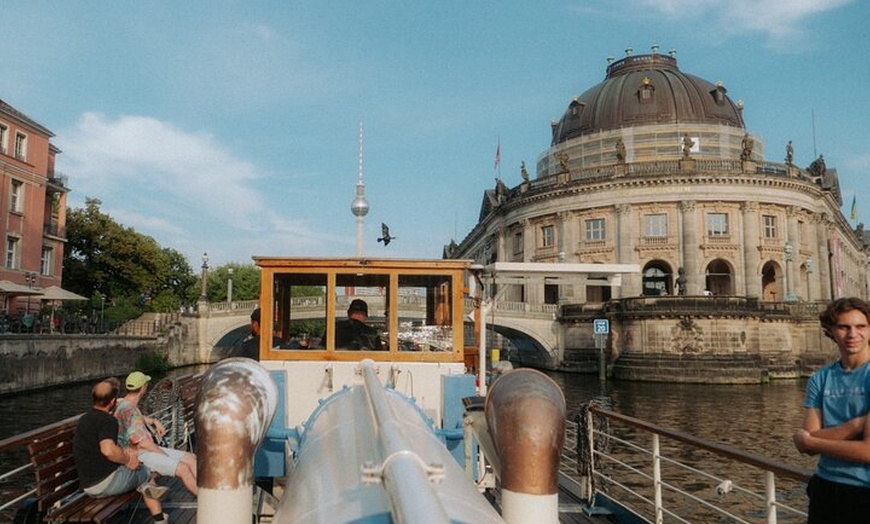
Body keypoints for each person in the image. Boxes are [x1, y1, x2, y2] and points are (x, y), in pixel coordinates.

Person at [793, 297, 870, 523]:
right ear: (831, 331)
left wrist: (813, 442)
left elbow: (868, 452)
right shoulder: (820, 379)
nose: (852, 334)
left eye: (860, 326)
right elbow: (808, 442)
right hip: (824, 489)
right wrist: (855, 425)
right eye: (844, 327)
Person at [73, 379, 168, 523]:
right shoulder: (108, 420)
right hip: (106, 484)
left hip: (88, 486)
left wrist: (126, 456)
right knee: (147, 472)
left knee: (136, 471)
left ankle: (143, 489)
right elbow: (108, 450)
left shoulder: (84, 419)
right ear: (112, 401)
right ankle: (160, 519)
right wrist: (128, 460)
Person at [115, 371, 199, 496]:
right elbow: (143, 443)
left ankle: (207, 491)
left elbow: (136, 419)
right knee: (184, 468)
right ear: (143, 388)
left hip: (144, 449)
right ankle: (206, 500)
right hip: (141, 453)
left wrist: (154, 421)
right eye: (146, 385)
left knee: (191, 458)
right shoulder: (130, 410)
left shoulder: (123, 403)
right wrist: (164, 455)